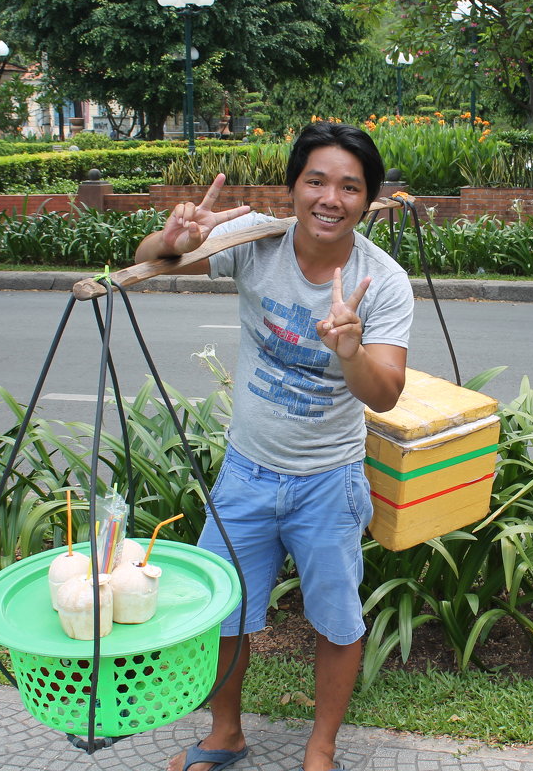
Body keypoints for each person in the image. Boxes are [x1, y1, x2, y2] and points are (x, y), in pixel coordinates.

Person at [134, 122, 414, 771]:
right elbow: (158, 259)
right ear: (292, 186)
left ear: (367, 200)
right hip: (247, 475)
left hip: (329, 479)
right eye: (316, 180)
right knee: (221, 614)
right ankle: (226, 734)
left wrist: (349, 349)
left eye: (350, 186)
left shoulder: (383, 282)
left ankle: (321, 749)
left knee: (337, 622)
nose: (330, 198)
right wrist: (170, 238)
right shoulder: (256, 240)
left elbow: (387, 393)